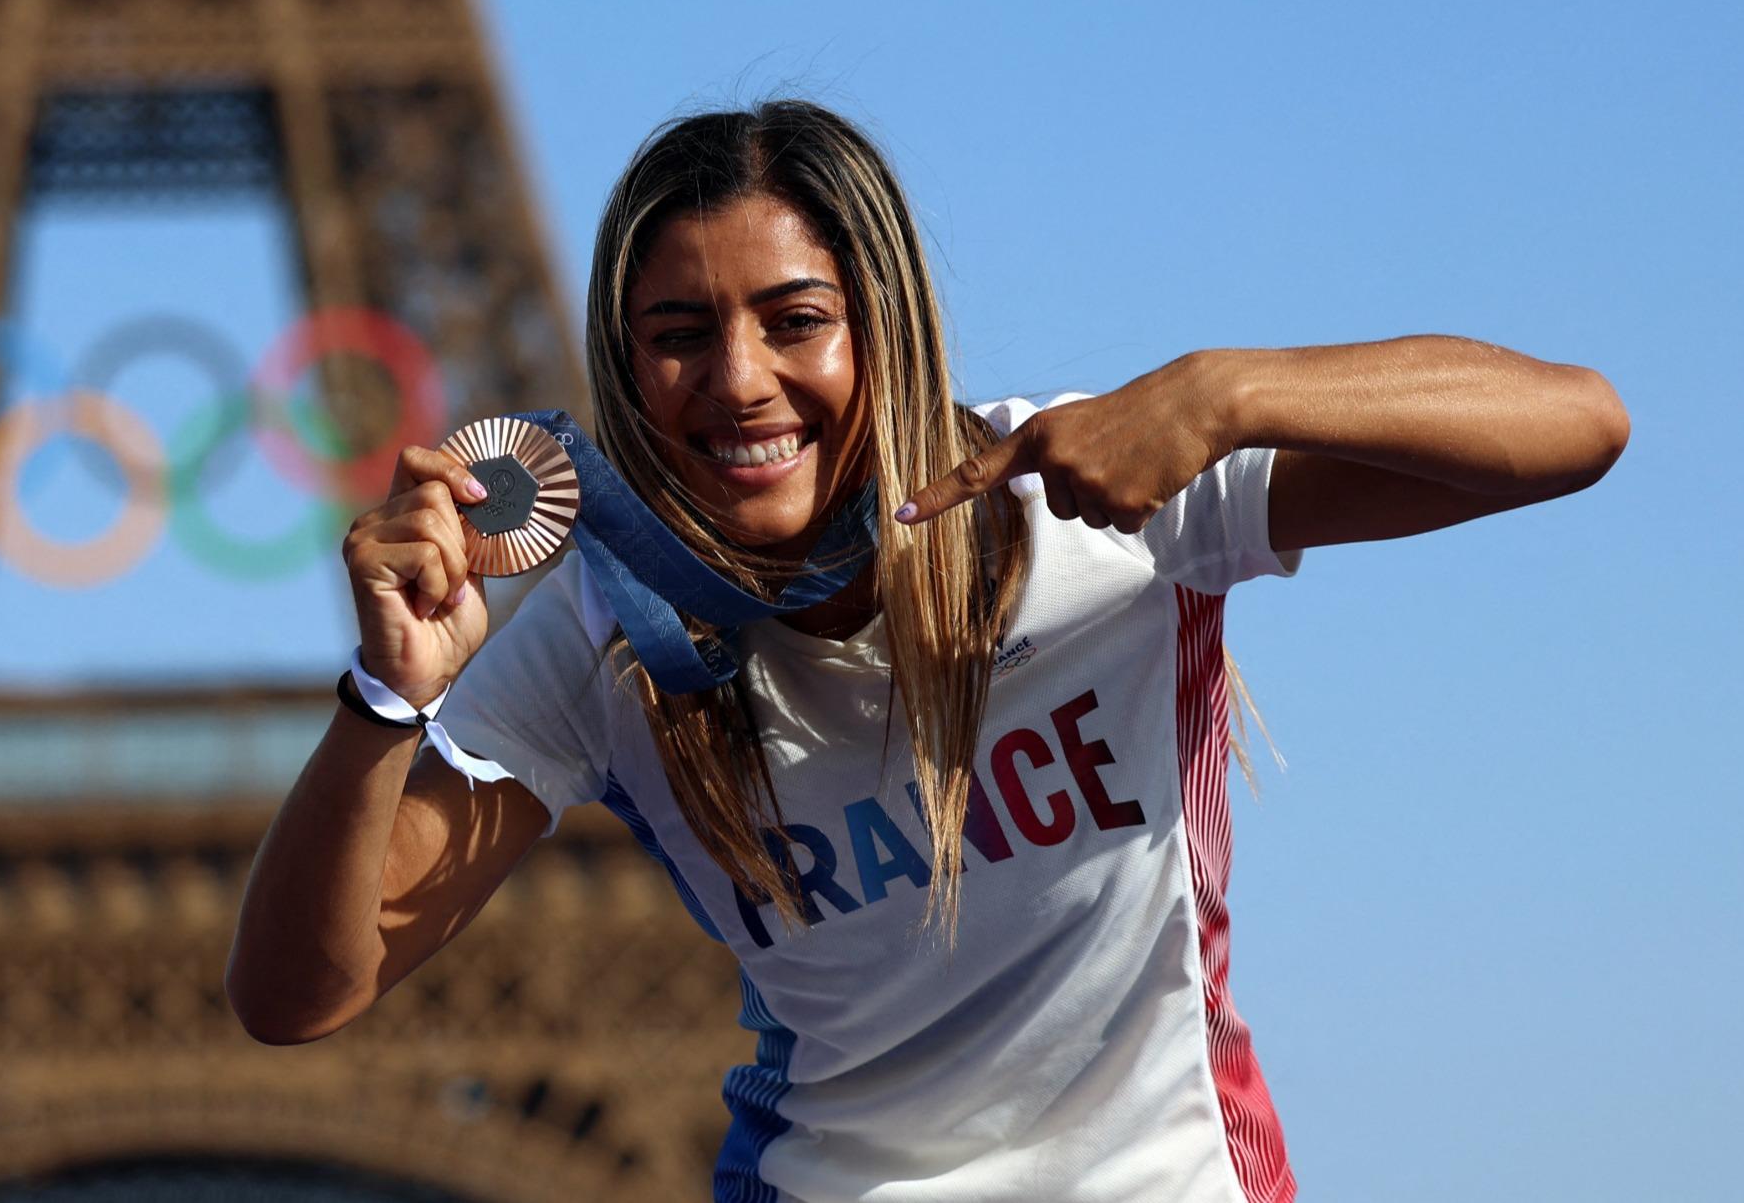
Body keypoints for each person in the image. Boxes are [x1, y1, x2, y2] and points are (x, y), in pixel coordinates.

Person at [224, 100, 1627, 1202]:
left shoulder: (1091, 496)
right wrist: (385, 697)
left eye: (794, 320)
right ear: (621, 366)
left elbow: (1575, 425)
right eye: (676, 336)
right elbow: (301, 995)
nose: (737, 379)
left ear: (879, 324)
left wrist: (1222, 393)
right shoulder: (607, 631)